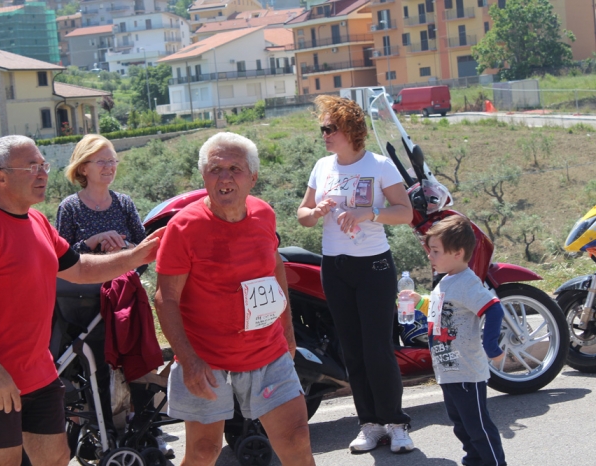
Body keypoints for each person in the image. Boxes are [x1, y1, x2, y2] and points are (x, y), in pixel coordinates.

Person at [0, 135, 164, 466]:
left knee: (56, 458)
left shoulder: (37, 221)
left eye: (44, 165)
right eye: (32, 167)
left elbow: (80, 268)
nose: (43, 173)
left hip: (38, 373)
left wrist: (135, 256)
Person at [154, 132, 316, 466]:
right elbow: (165, 298)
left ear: (253, 177)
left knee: (296, 438)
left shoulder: (264, 215)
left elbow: (276, 268)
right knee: (203, 452)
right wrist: (188, 359)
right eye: (216, 169)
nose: (225, 177)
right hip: (207, 359)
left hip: (268, 352)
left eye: (235, 168)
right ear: (204, 176)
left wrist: (287, 330)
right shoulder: (184, 227)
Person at [296, 95, 415, 454]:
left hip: (374, 266)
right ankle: (369, 424)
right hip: (335, 266)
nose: (325, 134)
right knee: (352, 350)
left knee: (378, 349)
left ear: (350, 130)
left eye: (330, 128)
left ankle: (396, 424)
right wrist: (315, 211)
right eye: (323, 128)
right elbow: (302, 214)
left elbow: (405, 212)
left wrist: (368, 213)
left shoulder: (379, 166)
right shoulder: (322, 166)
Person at [56, 134, 172, 457]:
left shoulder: (123, 203)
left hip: (122, 297)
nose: (109, 167)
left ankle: (147, 426)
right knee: (100, 360)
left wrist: (123, 250)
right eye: (102, 161)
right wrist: (94, 242)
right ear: (83, 167)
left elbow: (144, 250)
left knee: (138, 352)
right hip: (84, 303)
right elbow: (61, 259)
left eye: (112, 161)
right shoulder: (70, 208)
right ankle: (106, 428)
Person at [400, 215, 506, 466]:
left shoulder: (467, 282)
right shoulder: (446, 281)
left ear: (458, 253)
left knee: (479, 427)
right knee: (461, 425)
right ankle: (474, 461)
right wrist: (420, 301)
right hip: (448, 370)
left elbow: (494, 309)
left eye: (435, 251)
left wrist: (491, 346)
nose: (430, 256)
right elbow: (441, 311)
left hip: (467, 371)